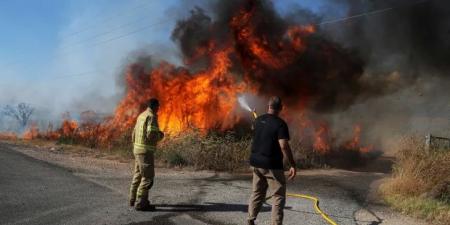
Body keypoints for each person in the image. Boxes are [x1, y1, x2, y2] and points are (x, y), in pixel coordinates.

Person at [248, 96, 297, 225]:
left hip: (255, 164)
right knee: (278, 196)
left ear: (268, 106)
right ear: (281, 108)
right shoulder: (280, 124)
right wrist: (292, 164)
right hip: (271, 165)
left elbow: (257, 128)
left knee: (257, 193)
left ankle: (250, 220)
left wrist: (256, 117)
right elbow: (284, 146)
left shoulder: (258, 120)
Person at [129, 98, 164, 211]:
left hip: (137, 150)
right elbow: (151, 135)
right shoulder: (152, 117)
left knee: (138, 175)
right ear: (154, 106)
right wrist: (160, 135)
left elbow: (133, 133)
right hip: (145, 152)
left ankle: (132, 199)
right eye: (158, 107)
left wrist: (135, 146)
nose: (158, 109)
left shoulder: (141, 115)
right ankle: (141, 203)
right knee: (148, 177)